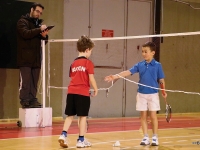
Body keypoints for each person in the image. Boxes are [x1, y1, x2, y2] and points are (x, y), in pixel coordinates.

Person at [105, 42, 167, 146]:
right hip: (141, 93)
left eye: (146, 52)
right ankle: (146, 137)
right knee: (143, 116)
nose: (143, 53)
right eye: (142, 51)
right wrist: (115, 76)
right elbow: (128, 72)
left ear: (153, 53)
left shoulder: (157, 65)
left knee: (153, 116)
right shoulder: (140, 65)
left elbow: (161, 80)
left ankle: (155, 137)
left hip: (153, 94)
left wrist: (163, 91)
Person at [58, 35, 98, 148]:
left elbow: (72, 76)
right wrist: (96, 89)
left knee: (70, 115)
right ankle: (81, 140)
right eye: (91, 51)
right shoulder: (88, 63)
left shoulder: (73, 63)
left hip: (71, 92)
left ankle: (63, 134)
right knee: (82, 117)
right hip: (83, 93)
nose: (90, 53)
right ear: (87, 50)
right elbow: (91, 78)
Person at [16, 3, 49, 108]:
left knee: (34, 81)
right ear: (32, 9)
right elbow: (25, 34)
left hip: (36, 58)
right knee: (25, 81)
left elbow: (43, 41)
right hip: (25, 58)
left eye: (40, 13)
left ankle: (33, 99)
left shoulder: (38, 25)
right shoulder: (22, 22)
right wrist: (39, 30)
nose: (38, 14)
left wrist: (44, 36)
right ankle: (25, 99)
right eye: (37, 11)